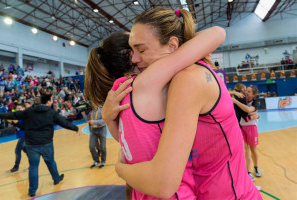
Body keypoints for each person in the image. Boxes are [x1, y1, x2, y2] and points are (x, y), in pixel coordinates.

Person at [102, 8, 262, 200]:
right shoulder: (178, 78)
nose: (135, 60)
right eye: (132, 51)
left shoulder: (187, 79)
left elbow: (162, 183)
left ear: (172, 45)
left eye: (142, 50)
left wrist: (120, 169)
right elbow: (149, 148)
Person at [85, 8, 226, 200]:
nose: (138, 56)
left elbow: (137, 143)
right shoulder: (146, 84)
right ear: (131, 61)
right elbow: (218, 33)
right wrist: (120, 168)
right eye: (136, 50)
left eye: (141, 48)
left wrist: (109, 120)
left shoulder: (121, 98)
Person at [0, 94, 81, 197]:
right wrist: (75, 128)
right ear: (48, 101)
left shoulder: (29, 111)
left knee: (33, 166)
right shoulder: (52, 112)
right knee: (50, 162)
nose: (52, 101)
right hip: (46, 143)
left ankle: (32, 191)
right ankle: (56, 179)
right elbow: (64, 123)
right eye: (51, 100)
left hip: (31, 144)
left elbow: (14, 115)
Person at [232, 86, 262, 181]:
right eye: (246, 91)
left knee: (253, 149)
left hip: (252, 127)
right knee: (246, 150)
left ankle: (256, 167)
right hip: (241, 127)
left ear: (253, 94)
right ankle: (248, 172)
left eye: (249, 91)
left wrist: (236, 102)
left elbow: (248, 110)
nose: (246, 92)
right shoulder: (242, 99)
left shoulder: (256, 101)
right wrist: (253, 116)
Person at [82, 103, 107, 168]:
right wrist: (83, 113)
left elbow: (104, 121)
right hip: (93, 131)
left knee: (103, 147)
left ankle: (103, 161)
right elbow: (88, 120)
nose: (91, 103)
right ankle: (96, 161)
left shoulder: (102, 110)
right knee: (91, 146)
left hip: (101, 130)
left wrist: (95, 122)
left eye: (93, 101)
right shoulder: (90, 111)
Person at [7, 103, 27, 173]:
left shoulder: (26, 116)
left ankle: (16, 167)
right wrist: (13, 123)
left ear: (24, 108)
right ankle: (33, 164)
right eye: (17, 108)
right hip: (21, 136)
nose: (18, 109)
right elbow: (17, 126)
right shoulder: (17, 116)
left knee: (17, 151)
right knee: (26, 151)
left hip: (25, 136)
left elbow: (24, 127)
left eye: (19, 108)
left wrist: (17, 123)